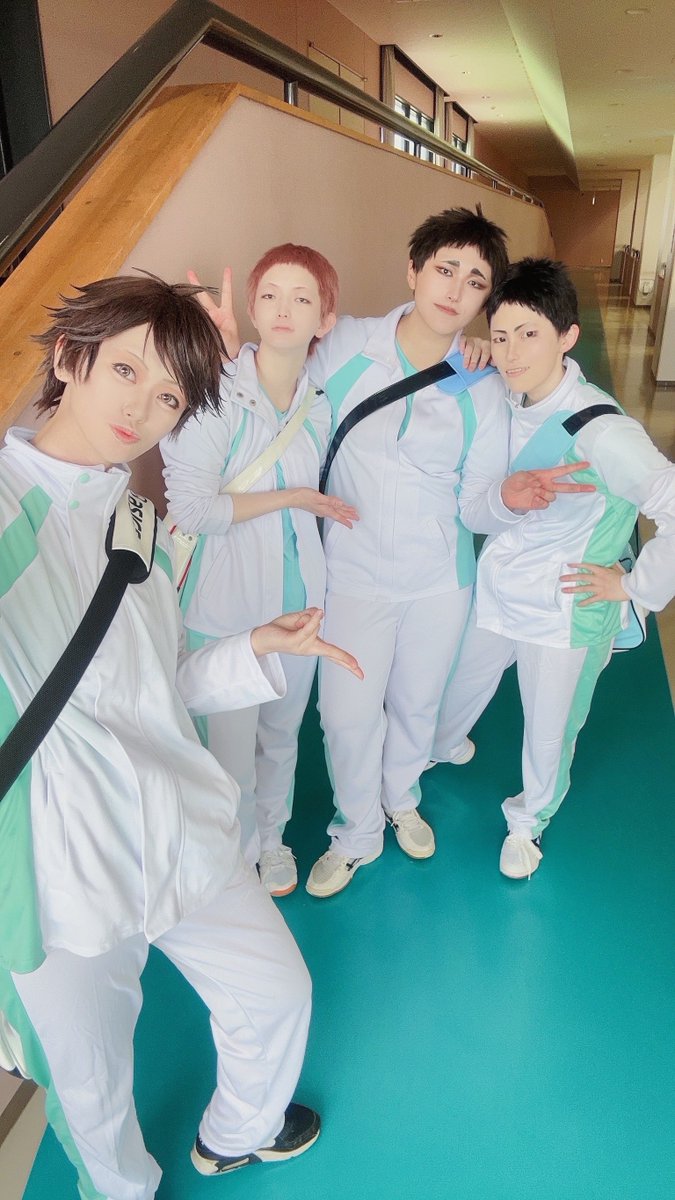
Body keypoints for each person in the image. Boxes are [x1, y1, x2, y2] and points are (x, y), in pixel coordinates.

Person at [0, 275, 363, 1199]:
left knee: (276, 992)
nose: (141, 408)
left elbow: (159, 685)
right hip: (54, 871)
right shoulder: (7, 505)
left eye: (168, 396)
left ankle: (237, 1131)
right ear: (67, 358)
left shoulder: (136, 521)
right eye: (126, 370)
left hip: (175, 822)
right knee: (92, 1092)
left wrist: (253, 648)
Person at [198, 211, 590, 899]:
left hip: (440, 578)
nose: (455, 290)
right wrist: (231, 352)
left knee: (416, 706)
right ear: (413, 271)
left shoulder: (483, 384)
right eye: (444, 269)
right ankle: (355, 832)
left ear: (484, 299)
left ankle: (400, 800)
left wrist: (508, 498)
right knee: (346, 715)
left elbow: (475, 505)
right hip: (349, 575)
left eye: (475, 281)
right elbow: (272, 380)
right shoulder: (346, 344)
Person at [430, 258, 675, 879]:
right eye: (502, 335)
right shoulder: (504, 391)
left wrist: (635, 587)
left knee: (548, 730)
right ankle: (441, 744)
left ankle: (527, 821)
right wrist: (472, 350)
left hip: (566, 607)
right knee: (458, 683)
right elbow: (439, 387)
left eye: (530, 334)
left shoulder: (601, 429)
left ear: (568, 336)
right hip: (500, 587)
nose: (512, 352)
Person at [161, 244, 357, 899]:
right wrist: (293, 496)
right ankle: (237, 855)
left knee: (280, 735)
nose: (283, 309)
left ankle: (270, 840)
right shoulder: (214, 395)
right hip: (225, 604)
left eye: (302, 298)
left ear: (324, 320)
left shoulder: (319, 406)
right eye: (270, 294)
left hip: (299, 597)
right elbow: (193, 508)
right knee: (227, 751)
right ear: (251, 306)